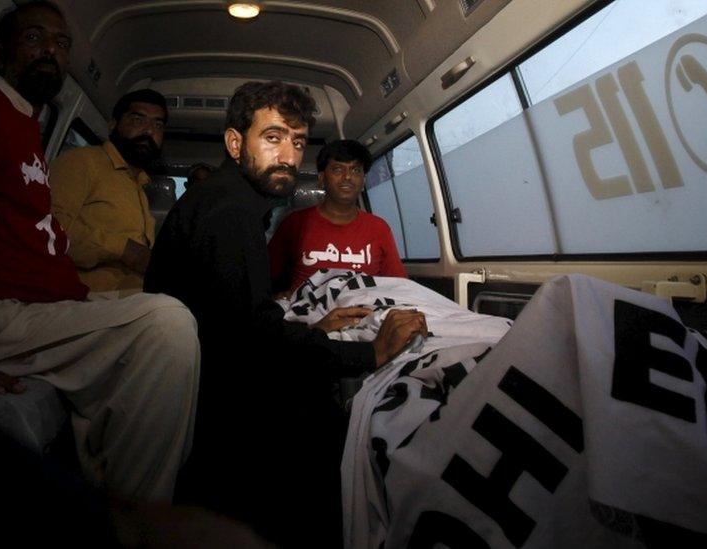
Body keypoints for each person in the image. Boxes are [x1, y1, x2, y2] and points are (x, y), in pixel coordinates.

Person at [0, 0, 199, 507]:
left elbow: (44, 236)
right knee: (166, 324)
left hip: (47, 307)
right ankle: (136, 524)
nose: (50, 50)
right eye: (34, 38)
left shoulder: (29, 128)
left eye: (61, 43)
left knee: (176, 326)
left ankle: (113, 490)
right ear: (1, 51)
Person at [144, 80, 427, 546]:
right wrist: (370, 354)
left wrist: (312, 327)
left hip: (212, 365)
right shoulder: (228, 212)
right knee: (325, 423)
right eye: (272, 138)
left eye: (297, 142)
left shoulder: (236, 204)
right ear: (236, 144)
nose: (289, 156)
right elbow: (251, 338)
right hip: (211, 395)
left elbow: (239, 316)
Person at [50, 89, 168, 293]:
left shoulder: (139, 186)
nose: (149, 131)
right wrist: (122, 249)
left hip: (130, 297)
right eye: (138, 120)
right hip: (83, 297)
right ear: (113, 124)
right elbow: (49, 229)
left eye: (158, 125)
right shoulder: (82, 162)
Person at [268, 139, 407, 293]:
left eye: (355, 170)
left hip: (363, 314)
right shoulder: (294, 223)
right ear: (321, 179)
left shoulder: (379, 228)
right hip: (308, 314)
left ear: (363, 181)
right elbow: (265, 277)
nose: (347, 177)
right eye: (337, 170)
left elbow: (399, 287)